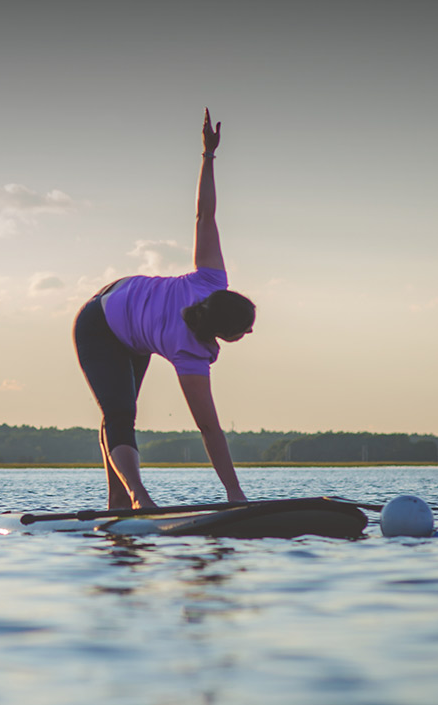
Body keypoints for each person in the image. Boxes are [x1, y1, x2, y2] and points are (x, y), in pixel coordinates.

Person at [73, 110, 253, 510]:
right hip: (99, 324)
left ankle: (116, 501)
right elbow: (209, 428)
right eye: (245, 329)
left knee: (118, 410)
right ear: (222, 330)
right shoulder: (188, 349)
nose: (250, 334)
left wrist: (208, 157)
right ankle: (139, 499)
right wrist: (235, 495)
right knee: (120, 411)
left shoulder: (211, 280)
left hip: (134, 321)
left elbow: (206, 215)